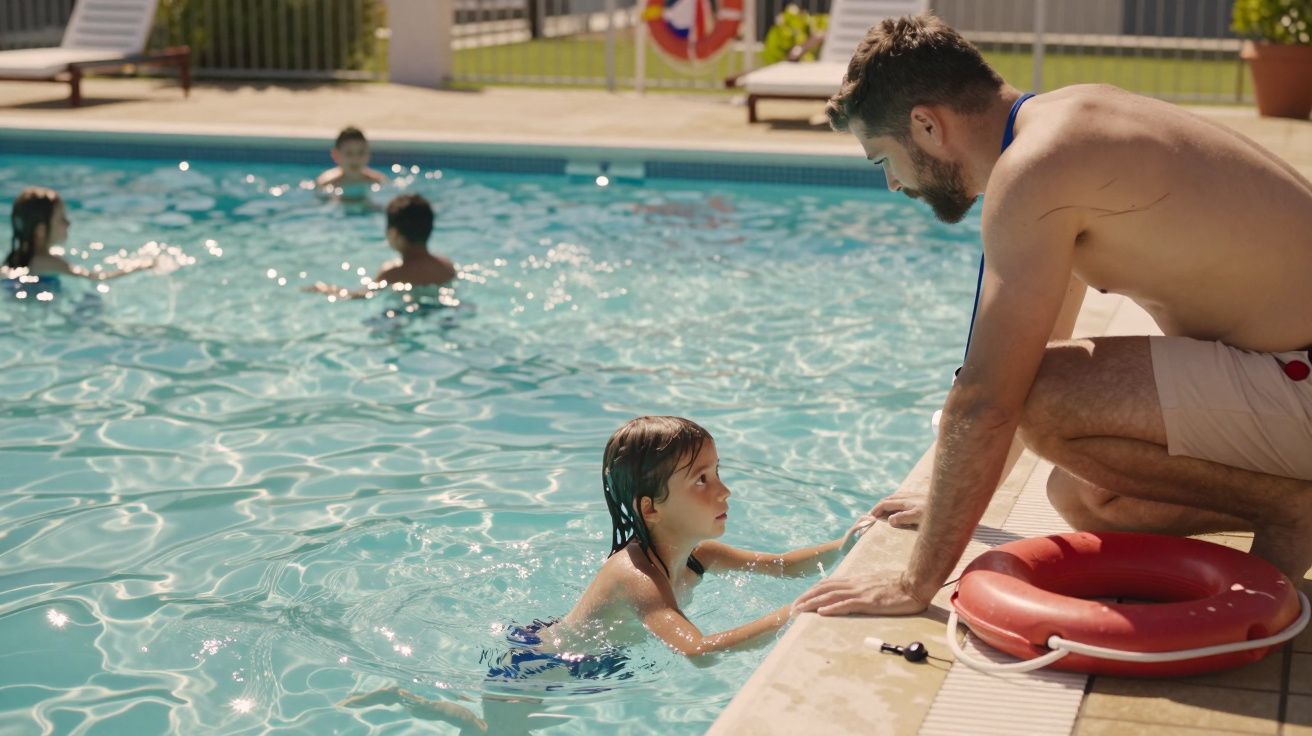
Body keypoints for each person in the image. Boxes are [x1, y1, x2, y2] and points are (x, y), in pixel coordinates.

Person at [793, 13, 1312, 619]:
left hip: (1298, 380)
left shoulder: (1037, 170)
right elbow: (1036, 344)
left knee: (1040, 397)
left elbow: (993, 397)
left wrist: (914, 585)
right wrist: (941, 495)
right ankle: (1290, 499)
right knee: (1091, 498)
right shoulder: (1071, 125)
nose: (892, 185)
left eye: (883, 159)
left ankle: (1290, 511)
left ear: (927, 125)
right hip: (1287, 373)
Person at [498, 415, 873, 670]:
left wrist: (845, 544)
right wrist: (792, 614)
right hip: (541, 668)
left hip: (599, 661)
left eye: (717, 472)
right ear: (651, 508)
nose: (724, 491)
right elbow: (696, 651)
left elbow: (783, 565)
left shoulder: (700, 556)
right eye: (701, 480)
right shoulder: (636, 578)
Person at [304, 193, 457, 302]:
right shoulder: (446, 266)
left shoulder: (391, 273)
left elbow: (360, 296)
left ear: (393, 233)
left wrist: (326, 290)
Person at [4, 187, 153, 291]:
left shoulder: (14, 257)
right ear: (41, 230)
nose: (68, 223)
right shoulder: (50, 262)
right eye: (61, 219)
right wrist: (139, 266)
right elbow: (97, 278)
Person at [315, 126, 389, 200]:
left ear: (368, 154)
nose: (355, 159)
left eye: (361, 152)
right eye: (349, 153)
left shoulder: (379, 181)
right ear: (336, 155)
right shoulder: (325, 183)